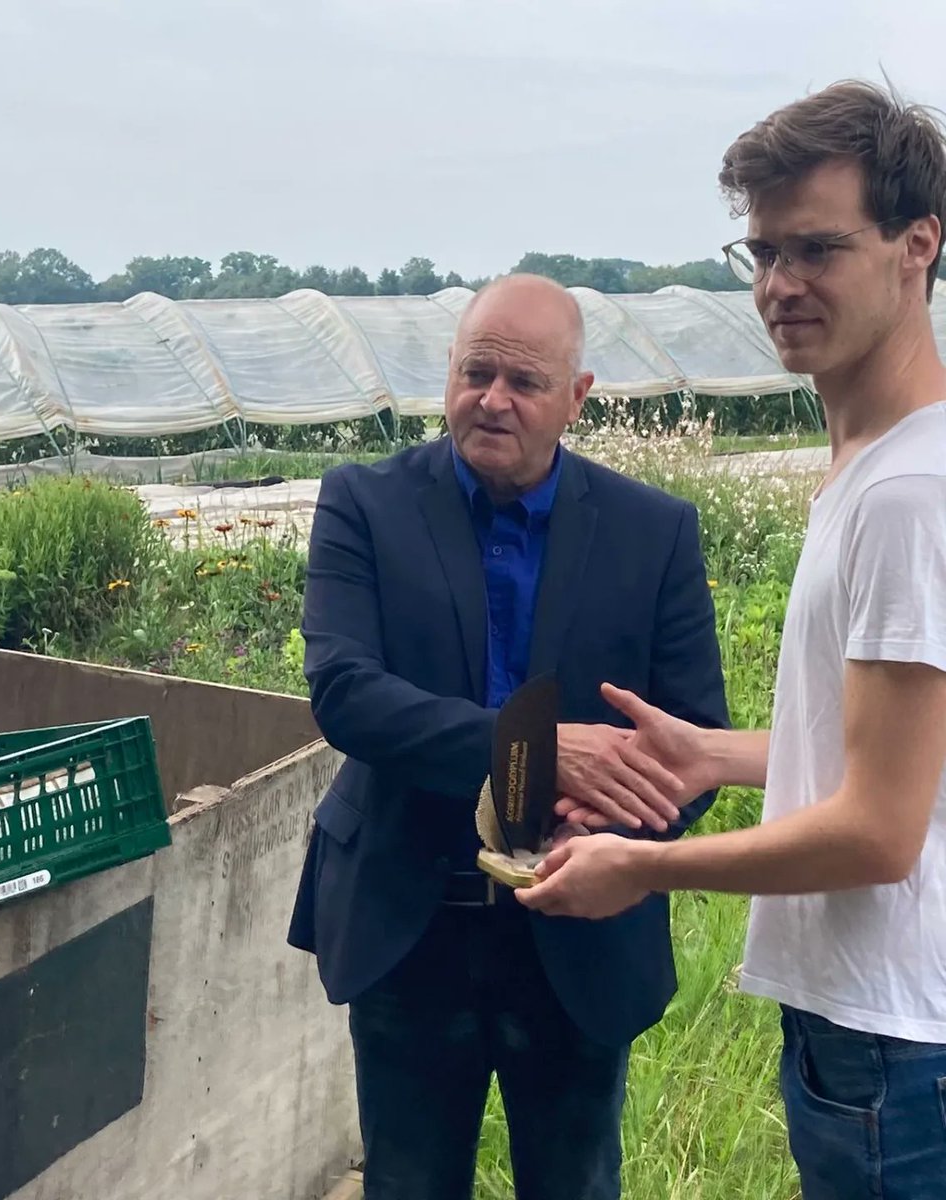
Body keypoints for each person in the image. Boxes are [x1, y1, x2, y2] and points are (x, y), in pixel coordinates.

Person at [518, 81, 946, 1199]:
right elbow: (903, 752)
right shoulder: (875, 469)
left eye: (816, 248)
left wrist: (643, 869)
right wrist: (718, 757)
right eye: (760, 252)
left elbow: (878, 835)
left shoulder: (910, 493)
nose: (779, 286)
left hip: (893, 1039)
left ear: (917, 247)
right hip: (881, 1026)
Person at [287, 273, 729, 1200]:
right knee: (408, 1179)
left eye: (524, 383)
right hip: (412, 914)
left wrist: (615, 842)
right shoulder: (364, 504)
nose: (493, 399)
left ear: (577, 398)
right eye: (475, 371)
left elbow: (697, 744)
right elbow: (346, 693)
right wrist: (536, 751)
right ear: (447, 373)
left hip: (577, 926)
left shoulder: (653, 533)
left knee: (573, 1179)